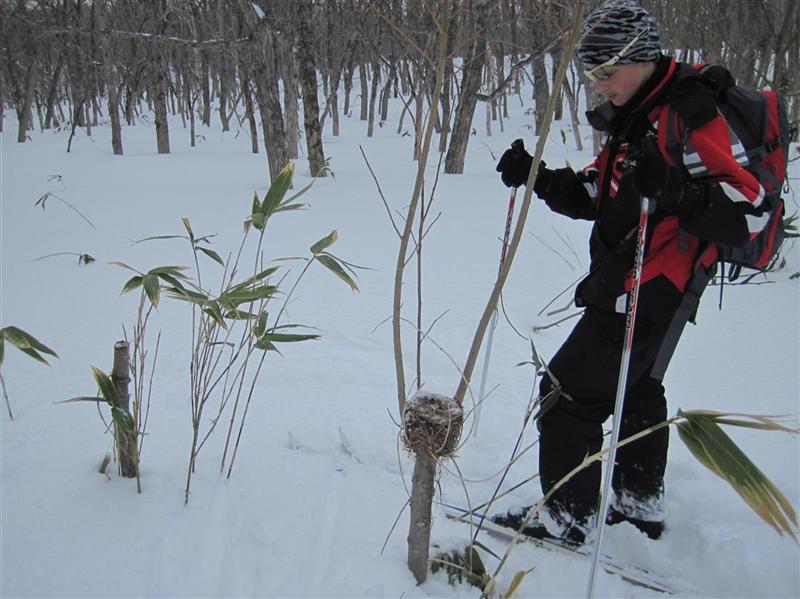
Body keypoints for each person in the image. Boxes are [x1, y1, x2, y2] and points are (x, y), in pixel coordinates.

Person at [493, 0, 766, 543]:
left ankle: (567, 521)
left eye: (603, 70)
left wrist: (677, 190)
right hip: (633, 278)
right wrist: (540, 178)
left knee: (565, 394)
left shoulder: (690, 115)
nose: (597, 85)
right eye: (589, 72)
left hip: (654, 284)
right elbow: (604, 191)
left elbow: (751, 214)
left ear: (638, 58)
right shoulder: (643, 112)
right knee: (635, 389)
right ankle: (638, 505)